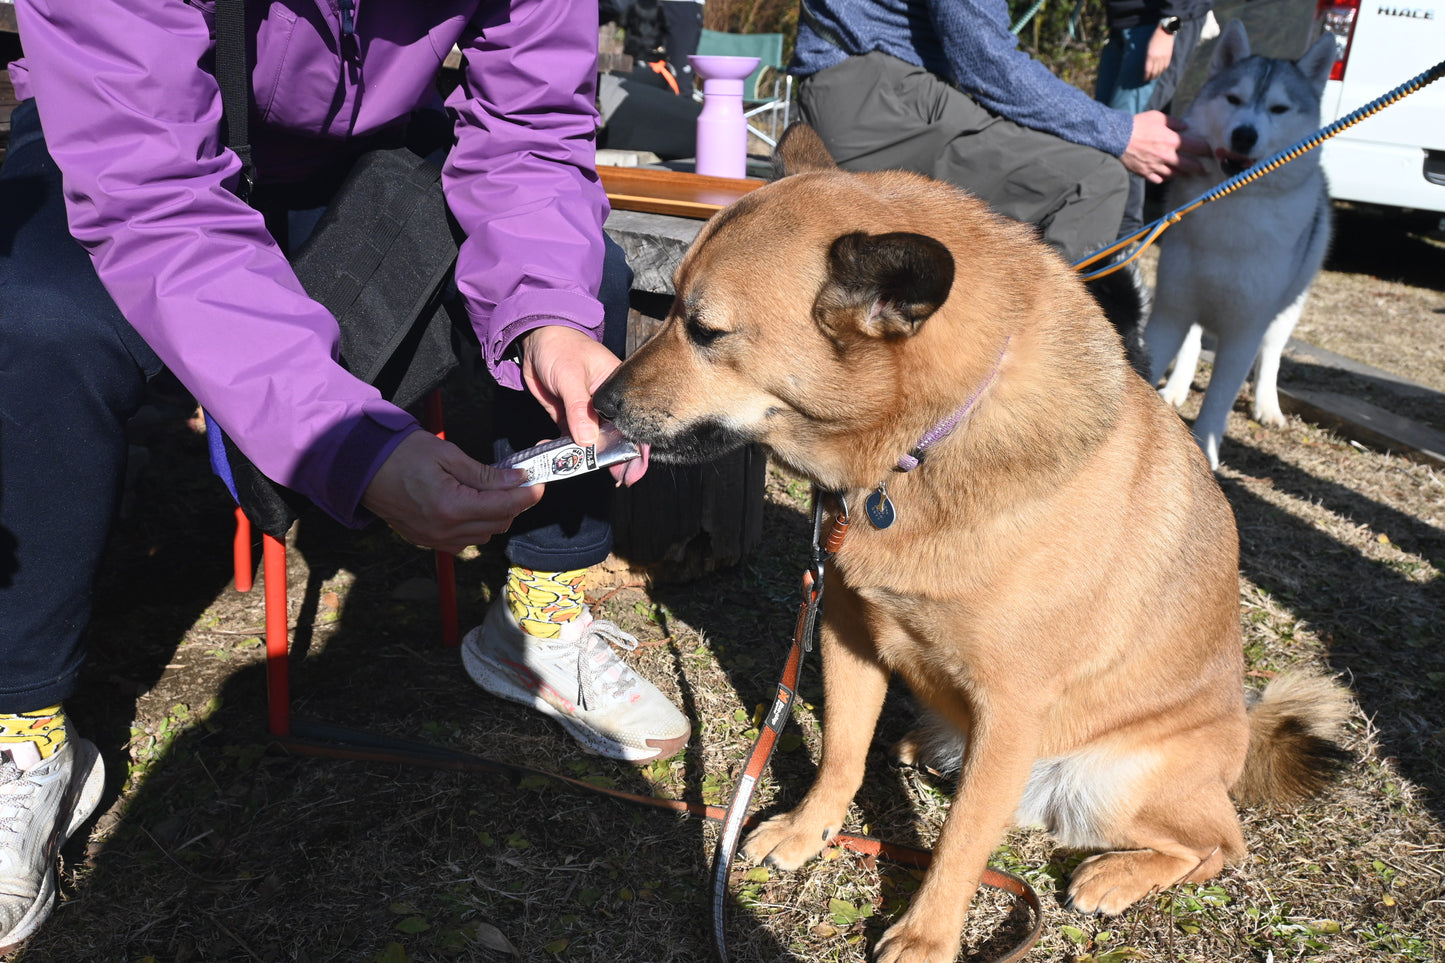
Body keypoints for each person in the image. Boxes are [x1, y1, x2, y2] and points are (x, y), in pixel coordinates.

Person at [0, 0, 690, 951]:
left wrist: (549, 317)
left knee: (587, 277)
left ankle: (539, 607)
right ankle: (24, 721)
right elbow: (154, 198)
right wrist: (349, 445)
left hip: (368, 153)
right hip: (132, 148)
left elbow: (530, 132)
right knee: (32, 320)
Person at [789, 0, 1209, 266]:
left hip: (855, 88)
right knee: (1094, 181)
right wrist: (1121, 134)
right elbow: (988, 65)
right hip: (875, 98)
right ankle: (1028, 369)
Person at [1096, 0, 1215, 238]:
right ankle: (1103, 233)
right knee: (1103, 134)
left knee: (1126, 138)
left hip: (1160, 23)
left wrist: (1169, 25)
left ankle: (1121, 244)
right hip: (1124, 23)